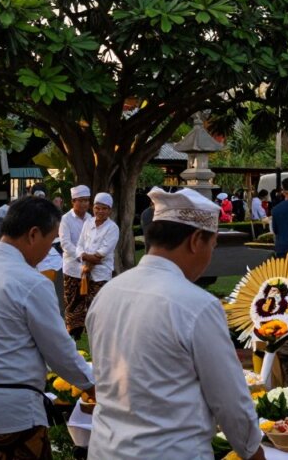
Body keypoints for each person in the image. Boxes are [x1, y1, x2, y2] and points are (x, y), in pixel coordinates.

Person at [87, 188, 264, 459]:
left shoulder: (108, 293)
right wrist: (253, 451)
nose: (209, 257)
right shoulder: (197, 305)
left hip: (105, 450)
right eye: (212, 246)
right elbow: (231, 403)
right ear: (196, 240)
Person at [0, 197, 95, 459]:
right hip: (10, 415)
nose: (48, 252)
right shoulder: (32, 283)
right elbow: (59, 351)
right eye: (49, 243)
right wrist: (92, 385)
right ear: (33, 234)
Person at [68, 192, 119, 339]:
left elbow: (101, 254)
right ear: (93, 208)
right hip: (84, 272)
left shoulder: (112, 228)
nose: (100, 211)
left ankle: (102, 335)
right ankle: (89, 334)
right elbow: (79, 245)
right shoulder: (88, 223)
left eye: (104, 208)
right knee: (86, 307)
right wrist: (83, 256)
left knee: (100, 307)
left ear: (109, 210)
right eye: (97, 208)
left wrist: (86, 257)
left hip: (101, 274)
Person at [59, 185, 91, 338]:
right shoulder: (66, 219)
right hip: (72, 266)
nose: (85, 204)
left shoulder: (91, 219)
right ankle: (72, 331)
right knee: (72, 300)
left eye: (87, 201)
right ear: (73, 201)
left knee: (86, 299)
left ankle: (86, 329)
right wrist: (81, 255)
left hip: (88, 266)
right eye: (81, 200)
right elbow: (65, 243)